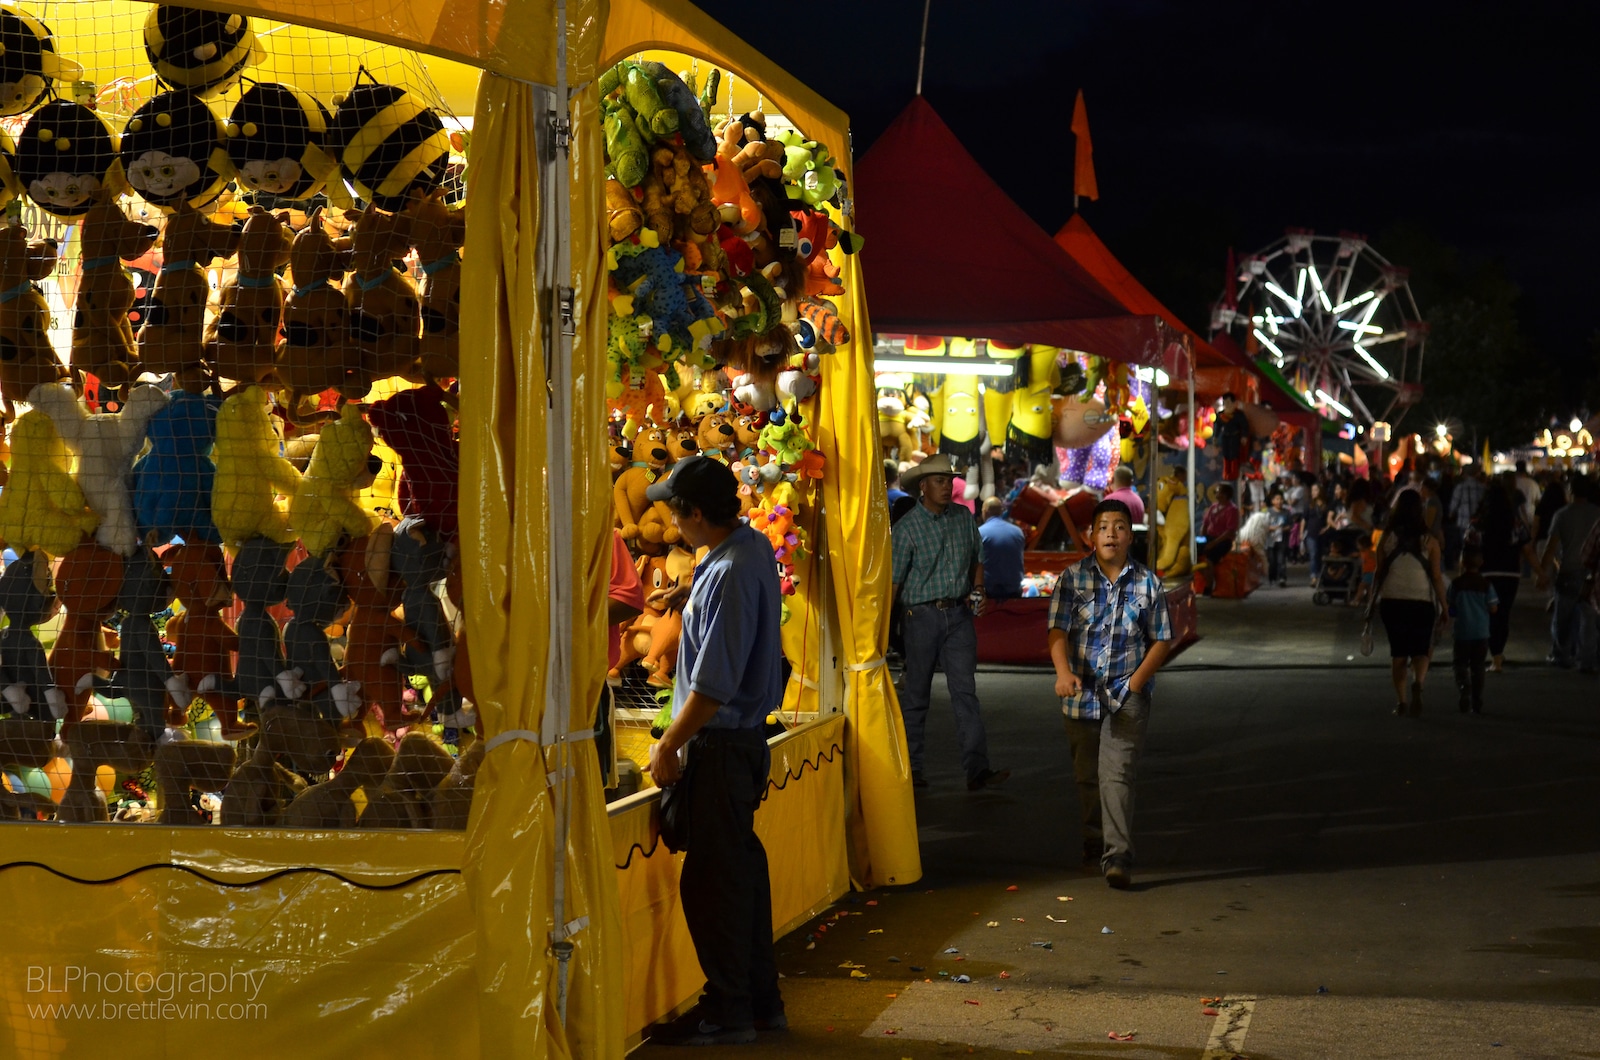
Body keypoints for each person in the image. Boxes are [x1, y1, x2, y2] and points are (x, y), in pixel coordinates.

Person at [644, 456, 785, 1046]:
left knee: (715, 886)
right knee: (738, 878)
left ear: (696, 514)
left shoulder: (730, 570)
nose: (671, 524)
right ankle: (754, 1003)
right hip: (736, 744)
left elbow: (714, 683)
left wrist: (670, 743)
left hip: (721, 745)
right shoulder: (745, 550)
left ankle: (729, 1011)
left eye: (674, 513)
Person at [1047, 499, 1174, 889]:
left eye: (1120, 527)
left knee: (1116, 773)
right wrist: (1063, 672)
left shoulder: (1147, 582)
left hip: (1127, 694)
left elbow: (1162, 640)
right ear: (1091, 535)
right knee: (1088, 776)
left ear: (1129, 536)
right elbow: (1057, 631)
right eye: (1104, 527)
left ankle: (1117, 854)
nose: (1111, 534)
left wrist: (1136, 683)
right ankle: (1093, 837)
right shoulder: (1071, 578)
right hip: (1080, 692)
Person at [891, 454, 1009, 792]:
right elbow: (895, 584)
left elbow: (977, 560)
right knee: (916, 697)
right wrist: (886, 624)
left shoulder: (963, 518)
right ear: (923, 487)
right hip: (920, 616)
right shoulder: (907, 528)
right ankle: (912, 771)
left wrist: (979, 590)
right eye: (940, 481)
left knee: (965, 694)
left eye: (949, 480)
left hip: (958, 614)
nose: (948, 486)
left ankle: (977, 770)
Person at [1369, 490, 1448, 717]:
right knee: (1421, 650)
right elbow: (1435, 576)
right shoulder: (1429, 540)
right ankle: (1419, 683)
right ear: (1420, 511)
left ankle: (1401, 702)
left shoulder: (1386, 538)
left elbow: (1379, 572)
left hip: (1392, 601)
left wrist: (1371, 601)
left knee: (1399, 654)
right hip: (1422, 601)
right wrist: (1444, 606)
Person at [1476, 475, 1538, 672]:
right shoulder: (1515, 523)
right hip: (1510, 574)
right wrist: (1541, 572)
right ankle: (1497, 657)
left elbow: (1468, 550)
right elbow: (1527, 549)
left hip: (1486, 574)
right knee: (1503, 615)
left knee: (1486, 614)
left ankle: (1489, 653)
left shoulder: (1479, 523)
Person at [1539, 474, 1600, 672]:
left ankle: (1561, 655)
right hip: (1592, 573)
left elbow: (1551, 546)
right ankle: (1586, 660)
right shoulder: (1597, 513)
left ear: (1570, 491)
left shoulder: (1562, 514)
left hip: (1568, 571)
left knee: (1562, 617)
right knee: (1589, 619)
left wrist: (1542, 572)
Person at [1447, 547, 1498, 714]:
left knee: (1460, 664)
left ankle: (1464, 688)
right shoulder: (1486, 585)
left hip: (1462, 632)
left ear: (1462, 563)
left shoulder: (1456, 584)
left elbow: (1451, 607)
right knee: (1478, 667)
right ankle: (1477, 700)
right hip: (1481, 632)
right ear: (1481, 563)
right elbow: (1493, 608)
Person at [978, 496, 1026, 599]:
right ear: (1001, 512)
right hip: (1014, 590)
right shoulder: (1018, 532)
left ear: (985, 511)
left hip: (988, 593)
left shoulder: (980, 533)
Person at [1447, 464, 1487, 570]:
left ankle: (1466, 568)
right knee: (1478, 547)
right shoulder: (1482, 487)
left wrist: (1451, 514)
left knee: (1465, 547)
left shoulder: (1460, 487)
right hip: (1479, 523)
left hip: (1463, 523)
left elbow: (1453, 507)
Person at [1199, 482, 1239, 568]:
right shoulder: (1213, 506)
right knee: (1194, 545)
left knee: (1209, 559)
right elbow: (1205, 523)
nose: (1215, 493)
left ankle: (1211, 580)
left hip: (1222, 541)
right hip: (1209, 537)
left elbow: (1229, 531)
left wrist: (1213, 543)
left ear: (1224, 494)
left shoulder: (1232, 509)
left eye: (1217, 491)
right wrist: (1202, 538)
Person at [1266, 492, 1291, 588]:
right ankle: (1272, 578)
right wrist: (1274, 528)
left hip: (1282, 540)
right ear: (1272, 501)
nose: (1279, 501)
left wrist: (1284, 529)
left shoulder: (1286, 512)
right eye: (1277, 499)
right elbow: (1265, 526)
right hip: (1271, 541)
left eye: (1281, 499)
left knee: (1281, 560)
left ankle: (1282, 578)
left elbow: (1290, 525)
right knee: (1272, 561)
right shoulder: (1268, 512)